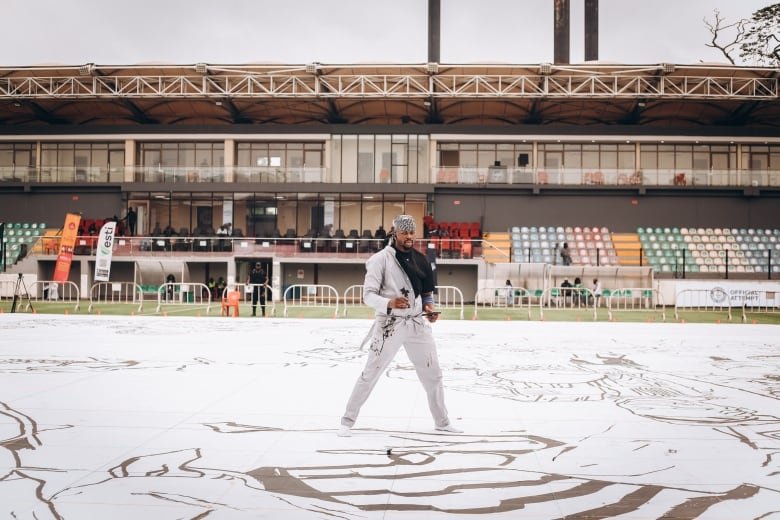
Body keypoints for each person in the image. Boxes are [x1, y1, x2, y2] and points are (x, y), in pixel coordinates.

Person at [338, 214, 461, 437]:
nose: (410, 236)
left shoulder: (422, 259)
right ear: (394, 233)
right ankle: (347, 421)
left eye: (412, 232)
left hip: (416, 323)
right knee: (371, 372)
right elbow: (367, 295)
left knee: (433, 373)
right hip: (390, 325)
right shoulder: (380, 260)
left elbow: (426, 295)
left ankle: (442, 422)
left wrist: (430, 310)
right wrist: (389, 303)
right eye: (405, 232)